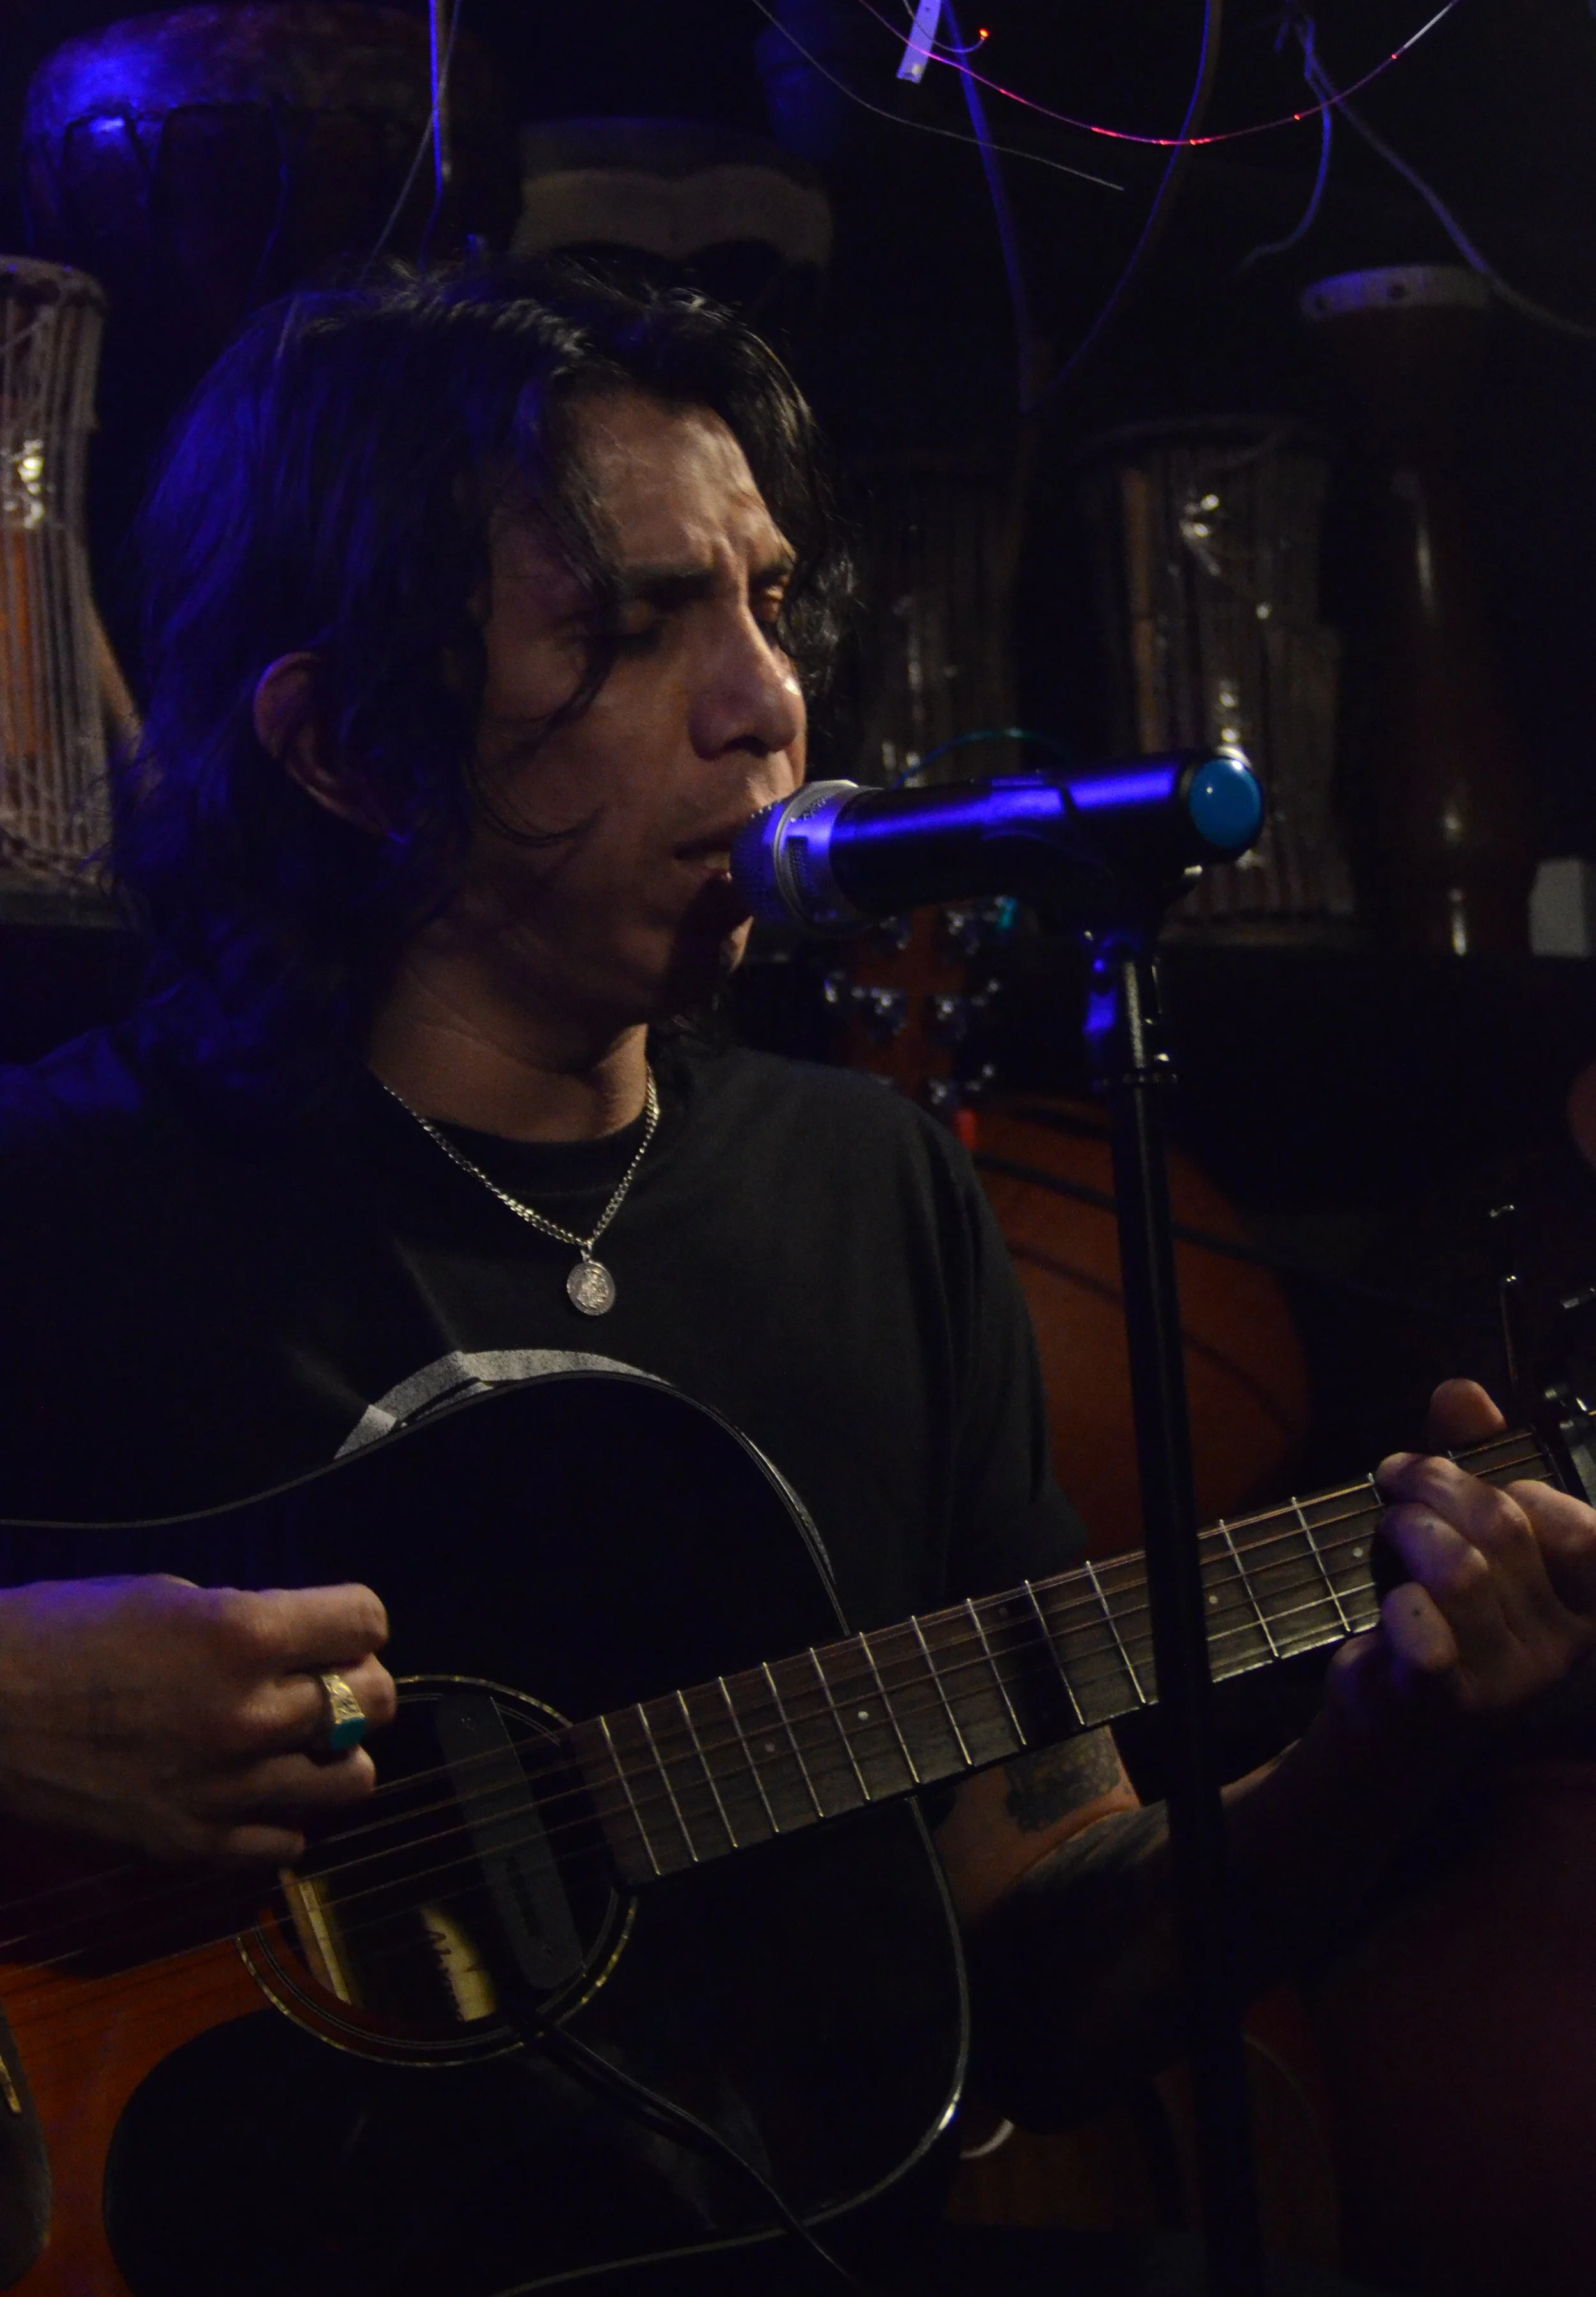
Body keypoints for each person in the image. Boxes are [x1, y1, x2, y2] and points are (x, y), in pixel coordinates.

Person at [0, 266, 1592, 2294]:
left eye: (765, 602)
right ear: (340, 748)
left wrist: (1384, 1747)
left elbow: (1047, 1975)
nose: (764, 701)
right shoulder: (62, 1193)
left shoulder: (876, 1194)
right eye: (634, 623)